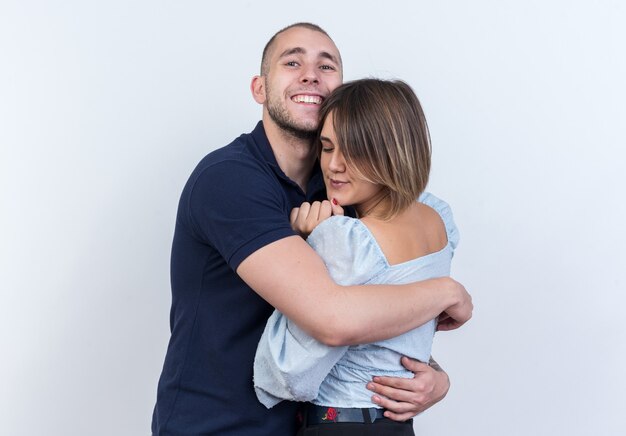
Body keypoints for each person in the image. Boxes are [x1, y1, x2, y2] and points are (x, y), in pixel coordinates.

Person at [151, 23, 472, 436]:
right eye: (292, 62)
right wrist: (448, 292)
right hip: (219, 425)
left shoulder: (347, 188)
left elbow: (373, 309)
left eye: (327, 65)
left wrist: (431, 375)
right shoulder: (229, 180)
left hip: (306, 424)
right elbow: (334, 319)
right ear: (259, 89)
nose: (310, 74)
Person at [254, 78, 459, 436]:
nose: (333, 165)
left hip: (339, 424)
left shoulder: (346, 239)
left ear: (391, 151)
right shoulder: (439, 218)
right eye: (327, 147)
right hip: (397, 426)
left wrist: (304, 243)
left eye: (354, 151)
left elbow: (288, 372)